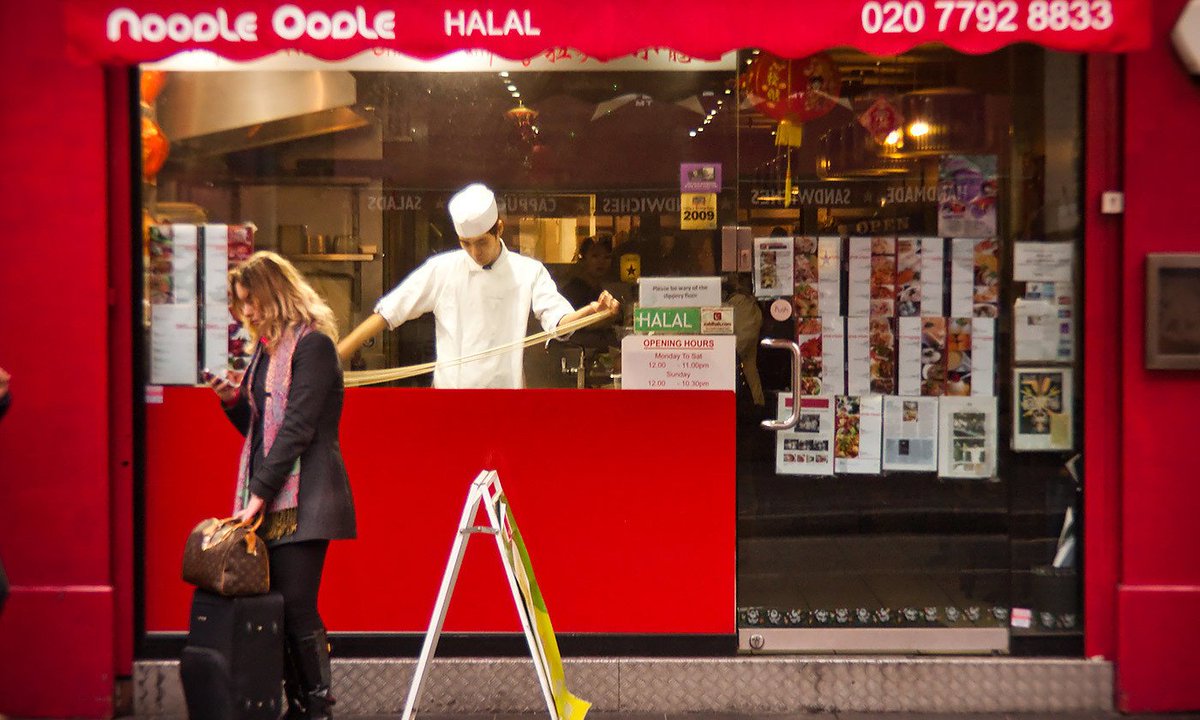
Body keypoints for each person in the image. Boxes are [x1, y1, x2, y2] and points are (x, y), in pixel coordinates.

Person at [205, 251, 356, 720]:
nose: (247, 312)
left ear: (276, 294)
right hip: (273, 496)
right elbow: (259, 432)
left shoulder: (313, 347)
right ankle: (298, 703)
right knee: (278, 609)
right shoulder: (267, 351)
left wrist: (259, 493)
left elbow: (297, 429)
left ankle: (317, 706)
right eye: (241, 303)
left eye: (252, 301)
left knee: (296, 606)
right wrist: (233, 402)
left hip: (305, 497)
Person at [337, 183, 619, 388]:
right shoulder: (442, 269)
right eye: (466, 244)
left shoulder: (528, 271)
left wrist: (588, 313)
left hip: (505, 404)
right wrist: (336, 355)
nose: (474, 252)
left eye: (481, 242)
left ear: (499, 229)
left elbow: (557, 321)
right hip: (449, 405)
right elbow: (388, 313)